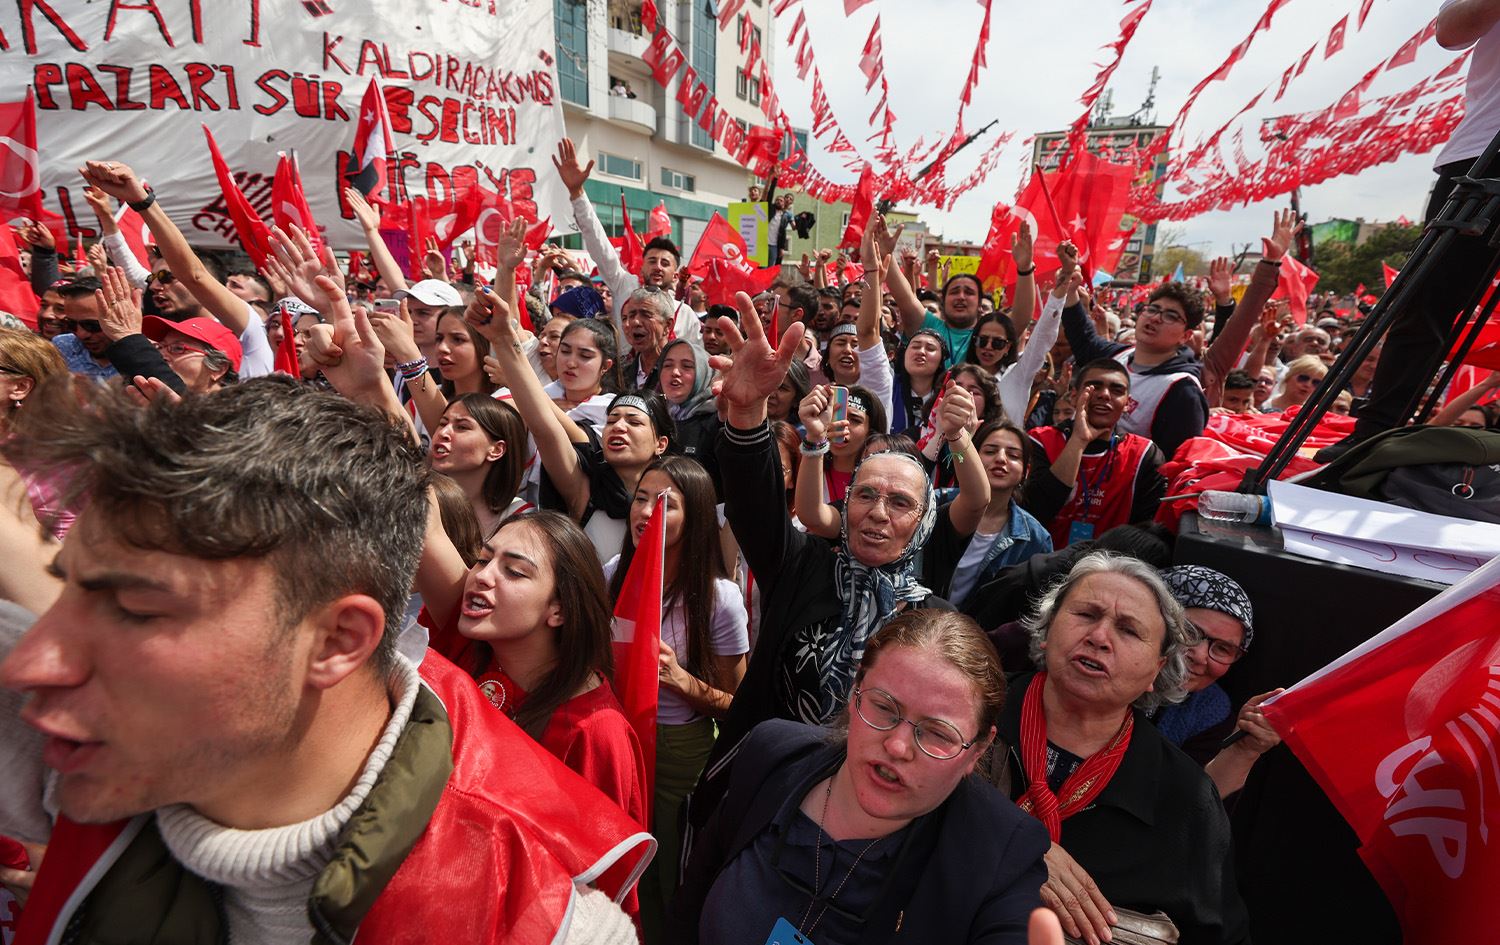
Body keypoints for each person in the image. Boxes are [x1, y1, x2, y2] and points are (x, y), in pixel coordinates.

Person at [0, 372, 649, 943]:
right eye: (69, 588)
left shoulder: (552, 923)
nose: (31, 666)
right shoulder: (91, 750)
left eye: (138, 610)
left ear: (340, 642)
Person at [688, 292, 955, 838]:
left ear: (925, 521)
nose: (878, 514)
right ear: (845, 502)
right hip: (762, 799)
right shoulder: (804, 565)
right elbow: (754, 507)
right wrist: (745, 414)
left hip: (867, 827)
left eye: (901, 503)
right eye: (865, 495)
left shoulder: (936, 627)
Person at [672, 610, 1050, 945]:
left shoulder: (1000, 855)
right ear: (855, 695)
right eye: (884, 708)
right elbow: (689, 905)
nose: (899, 746)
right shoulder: (772, 756)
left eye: (937, 733)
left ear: (978, 751)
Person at [988, 553, 1250, 945]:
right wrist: (1015, 842)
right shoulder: (971, 707)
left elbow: (1219, 934)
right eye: (1086, 614)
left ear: (1158, 669)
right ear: (1047, 629)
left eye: (1128, 630)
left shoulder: (1183, 796)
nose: (1099, 638)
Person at [605, 456, 749, 936]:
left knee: (668, 875)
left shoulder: (719, 599)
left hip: (678, 755)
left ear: (697, 516)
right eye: (641, 498)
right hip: (616, 741)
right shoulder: (611, 574)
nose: (646, 512)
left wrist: (682, 681)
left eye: (665, 503)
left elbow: (739, 706)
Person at [78, 160, 274, 379]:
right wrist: (106, 217)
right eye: (165, 348)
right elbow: (131, 269)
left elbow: (193, 275)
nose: (154, 286)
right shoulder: (169, 330)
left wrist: (142, 202)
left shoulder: (246, 333)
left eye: (179, 349)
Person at [552, 139, 703, 347]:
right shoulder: (625, 285)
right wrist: (577, 194)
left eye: (665, 263)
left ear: (676, 274)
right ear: (642, 265)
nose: (657, 266)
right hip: (624, 379)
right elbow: (599, 244)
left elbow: (695, 364)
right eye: (652, 260)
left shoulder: (685, 315)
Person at [1154, 566, 1282, 799]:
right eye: (1190, 632)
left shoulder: (1210, 711)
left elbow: (1188, 809)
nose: (1200, 656)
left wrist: (1244, 751)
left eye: (1223, 649)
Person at [1025, 360, 1166, 549]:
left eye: (1117, 390)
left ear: (1127, 404)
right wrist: (1079, 440)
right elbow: (1036, 511)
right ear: (1074, 396)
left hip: (1105, 568)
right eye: (1094, 387)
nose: (1104, 395)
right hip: (1039, 562)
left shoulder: (1144, 454)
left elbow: (1146, 533)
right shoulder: (1040, 440)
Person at [923, 419, 1053, 611]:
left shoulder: (1036, 539)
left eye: (1013, 455)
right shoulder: (934, 502)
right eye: (990, 451)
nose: (1001, 459)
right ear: (973, 458)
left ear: (1026, 472)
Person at [430, 394, 530, 538]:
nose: (443, 433)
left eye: (462, 427)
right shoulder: (416, 500)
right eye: (443, 423)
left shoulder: (521, 521)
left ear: (496, 450)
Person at [657, 337, 722, 491]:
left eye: (687, 366)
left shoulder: (718, 421)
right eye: (667, 365)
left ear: (704, 374)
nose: (675, 372)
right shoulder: (655, 417)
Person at [48, 277, 117, 381]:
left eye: (91, 325)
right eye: (71, 324)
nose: (81, 334)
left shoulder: (143, 356)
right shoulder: (61, 347)